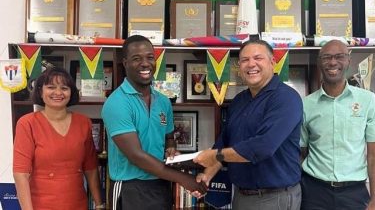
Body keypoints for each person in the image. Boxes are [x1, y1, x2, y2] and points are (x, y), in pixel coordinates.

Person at [194, 39, 303, 210]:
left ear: (272, 63)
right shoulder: (238, 101)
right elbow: (225, 143)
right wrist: (207, 175)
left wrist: (215, 155)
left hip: (274, 197)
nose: (251, 64)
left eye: (258, 58)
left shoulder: (286, 98)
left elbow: (262, 147)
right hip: (241, 195)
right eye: (245, 60)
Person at [101, 35, 207, 210]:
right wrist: (183, 178)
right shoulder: (116, 103)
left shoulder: (163, 101)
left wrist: (171, 146)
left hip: (160, 184)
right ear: (125, 63)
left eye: (150, 57)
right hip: (130, 188)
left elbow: (168, 136)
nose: (145, 63)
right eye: (137, 59)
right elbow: (136, 156)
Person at [300, 40, 375, 210]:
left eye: (339, 57)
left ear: (349, 60)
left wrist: (374, 201)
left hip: (354, 194)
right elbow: (302, 151)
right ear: (319, 63)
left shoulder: (368, 100)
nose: (333, 62)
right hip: (314, 192)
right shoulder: (306, 104)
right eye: (326, 57)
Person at [13, 67, 104, 210]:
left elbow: (91, 168)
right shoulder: (27, 123)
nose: (58, 92)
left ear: (71, 93)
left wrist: (99, 204)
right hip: (40, 205)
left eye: (64, 88)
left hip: (77, 204)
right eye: (51, 87)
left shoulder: (83, 123)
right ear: (40, 92)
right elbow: (21, 173)